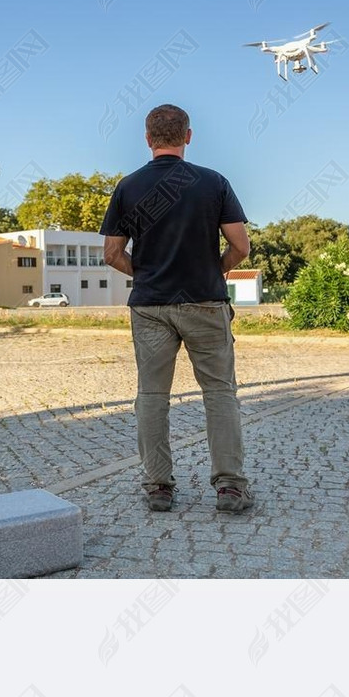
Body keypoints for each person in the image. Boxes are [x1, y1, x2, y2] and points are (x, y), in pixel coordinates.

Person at [100, 104, 255, 514]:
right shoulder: (214, 182)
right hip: (205, 301)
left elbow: (113, 254)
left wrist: (147, 273)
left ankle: (158, 487)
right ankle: (230, 488)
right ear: (188, 136)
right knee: (219, 393)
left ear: (148, 139)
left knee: (152, 396)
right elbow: (241, 246)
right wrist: (213, 271)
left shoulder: (127, 187)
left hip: (151, 306)